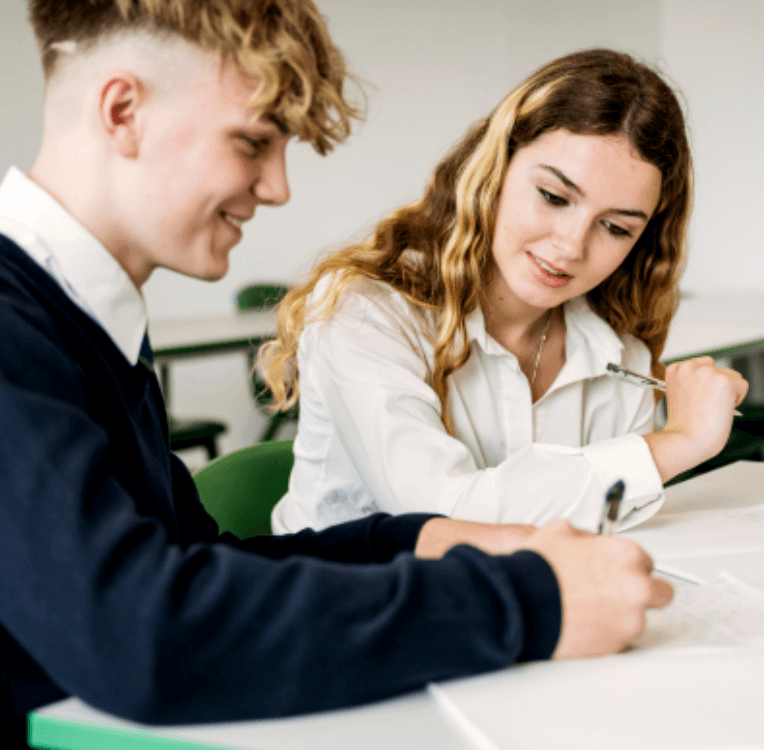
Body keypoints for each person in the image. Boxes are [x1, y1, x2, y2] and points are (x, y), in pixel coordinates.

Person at [0, 0, 673, 750]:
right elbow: (147, 636)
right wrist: (533, 604)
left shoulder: (80, 317)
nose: (278, 187)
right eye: (254, 143)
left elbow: (194, 563)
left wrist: (417, 539)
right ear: (123, 111)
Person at [263, 49, 749, 537]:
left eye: (616, 228)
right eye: (554, 198)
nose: (571, 246)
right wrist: (678, 442)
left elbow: (599, 534)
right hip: (348, 601)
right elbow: (439, 517)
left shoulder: (620, 357)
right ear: (493, 169)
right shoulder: (367, 311)